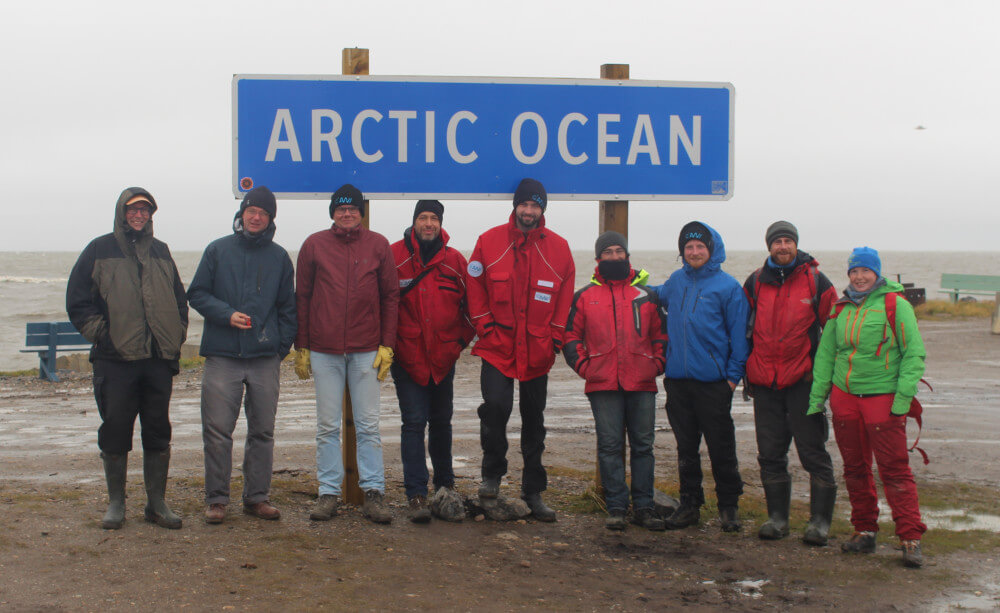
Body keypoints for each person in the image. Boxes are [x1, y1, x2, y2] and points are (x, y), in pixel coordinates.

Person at [66, 187, 188, 530]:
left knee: (158, 429)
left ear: (151, 215)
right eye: (133, 210)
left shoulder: (162, 252)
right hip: (115, 359)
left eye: (145, 210)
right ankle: (116, 503)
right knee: (116, 429)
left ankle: (156, 503)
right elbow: (77, 301)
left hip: (157, 360)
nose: (139, 215)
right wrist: (103, 334)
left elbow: (180, 302)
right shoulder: (99, 249)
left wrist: (175, 336)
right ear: (122, 212)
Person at [808, 247, 927, 568]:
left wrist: (902, 400)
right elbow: (826, 355)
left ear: (877, 273)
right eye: (854, 272)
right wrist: (817, 398)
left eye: (865, 271)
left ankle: (910, 536)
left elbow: (914, 354)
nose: (859, 277)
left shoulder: (895, 305)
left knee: (894, 469)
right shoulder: (840, 308)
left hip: (883, 399)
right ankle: (864, 531)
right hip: (845, 398)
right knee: (855, 468)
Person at [466, 178, 575, 521]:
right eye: (524, 205)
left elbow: (564, 296)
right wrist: (484, 326)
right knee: (495, 409)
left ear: (543, 209)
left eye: (535, 205)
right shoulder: (489, 241)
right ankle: (492, 477)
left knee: (534, 421)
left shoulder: (559, 248)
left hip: (538, 349)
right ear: (515, 206)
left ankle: (533, 491)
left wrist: (556, 338)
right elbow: (474, 286)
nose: (529, 211)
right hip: (497, 346)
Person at [187, 186, 296, 525]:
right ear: (242, 214)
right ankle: (217, 500)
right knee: (218, 431)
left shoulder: (279, 257)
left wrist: (279, 349)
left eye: (262, 213)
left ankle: (257, 498)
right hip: (223, 354)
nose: (255, 216)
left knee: (263, 431)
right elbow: (197, 294)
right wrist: (225, 314)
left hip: (265, 358)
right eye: (251, 211)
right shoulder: (217, 250)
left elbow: (288, 309)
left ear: (270, 219)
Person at [294, 184, 399, 524]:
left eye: (352, 208)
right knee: (327, 426)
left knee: (368, 425)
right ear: (332, 213)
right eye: (340, 209)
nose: (347, 213)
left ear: (360, 212)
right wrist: (303, 345)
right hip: (324, 351)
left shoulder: (379, 245)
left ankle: (374, 492)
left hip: (367, 349)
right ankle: (328, 493)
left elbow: (390, 297)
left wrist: (387, 343)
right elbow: (303, 297)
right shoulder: (313, 245)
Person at [563, 231, 668, 531]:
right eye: (607, 252)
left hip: (642, 382)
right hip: (602, 383)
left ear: (627, 255)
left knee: (643, 446)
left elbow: (661, 334)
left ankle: (645, 507)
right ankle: (617, 507)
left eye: (618, 251)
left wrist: (657, 364)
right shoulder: (583, 296)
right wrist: (585, 367)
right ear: (598, 258)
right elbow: (570, 337)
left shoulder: (646, 295)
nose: (613, 256)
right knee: (609, 446)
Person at [743, 221, 838, 544]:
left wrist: (824, 379)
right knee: (769, 453)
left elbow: (834, 332)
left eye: (788, 241)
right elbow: (743, 330)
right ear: (768, 246)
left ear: (796, 245)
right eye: (777, 241)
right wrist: (746, 372)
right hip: (765, 383)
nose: (782, 246)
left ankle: (819, 523)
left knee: (813, 453)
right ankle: (777, 519)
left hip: (803, 382)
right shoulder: (755, 282)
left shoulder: (816, 281)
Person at [653, 221, 749, 532]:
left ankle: (729, 506)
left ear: (712, 250)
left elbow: (740, 339)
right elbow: (657, 295)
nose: (694, 252)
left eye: (700, 247)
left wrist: (732, 379)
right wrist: (626, 280)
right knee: (685, 447)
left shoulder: (729, 288)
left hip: (714, 384)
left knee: (721, 447)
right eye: (688, 247)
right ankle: (689, 505)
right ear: (682, 252)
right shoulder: (677, 281)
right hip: (678, 382)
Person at [390, 200, 475, 522]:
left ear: (441, 224)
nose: (429, 223)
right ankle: (415, 495)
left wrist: (458, 344)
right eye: (423, 218)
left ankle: (446, 486)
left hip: (443, 358)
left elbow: (472, 308)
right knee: (413, 423)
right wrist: (390, 345)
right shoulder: (394, 256)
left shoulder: (454, 261)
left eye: (434, 219)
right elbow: (382, 304)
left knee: (442, 423)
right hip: (407, 358)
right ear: (414, 222)